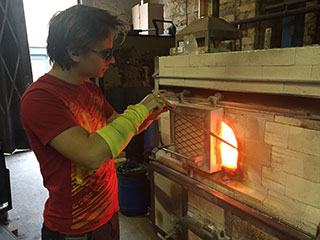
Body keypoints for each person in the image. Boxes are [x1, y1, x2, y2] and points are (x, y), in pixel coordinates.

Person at [20, 4, 173, 240]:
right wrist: (139, 110)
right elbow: (92, 154)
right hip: (75, 229)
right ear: (74, 52)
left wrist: (149, 114)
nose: (111, 61)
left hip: (108, 215)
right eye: (106, 53)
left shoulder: (89, 89)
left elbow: (118, 128)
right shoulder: (40, 98)